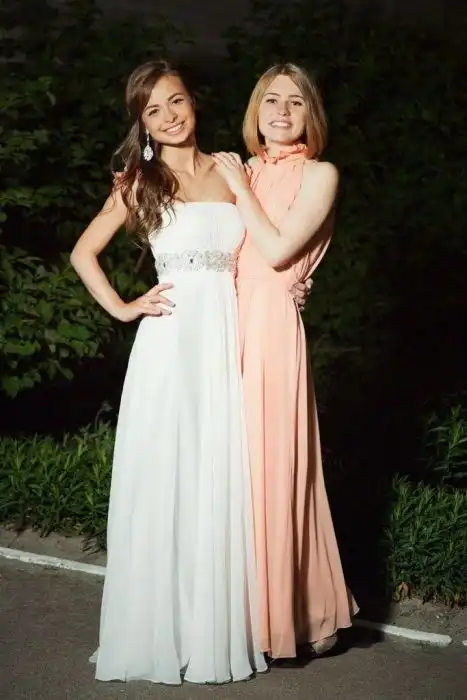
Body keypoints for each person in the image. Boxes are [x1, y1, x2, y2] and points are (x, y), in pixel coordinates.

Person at [70, 59, 271, 685]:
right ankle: (159, 629)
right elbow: (83, 252)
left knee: (220, 471)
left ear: (193, 102)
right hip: (171, 342)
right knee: (169, 472)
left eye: (176, 100)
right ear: (143, 123)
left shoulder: (232, 169)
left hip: (228, 338)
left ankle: (212, 628)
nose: (169, 116)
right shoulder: (139, 181)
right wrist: (124, 307)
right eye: (153, 109)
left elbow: (269, 245)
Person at [212, 62, 358, 662]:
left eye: (296, 102)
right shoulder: (239, 168)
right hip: (223, 323)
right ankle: (234, 611)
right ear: (255, 109)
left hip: (271, 328)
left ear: (310, 115)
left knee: (273, 468)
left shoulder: (321, 174)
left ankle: (298, 613)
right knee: (229, 470)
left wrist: (239, 187)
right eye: (271, 99)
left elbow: (275, 250)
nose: (281, 111)